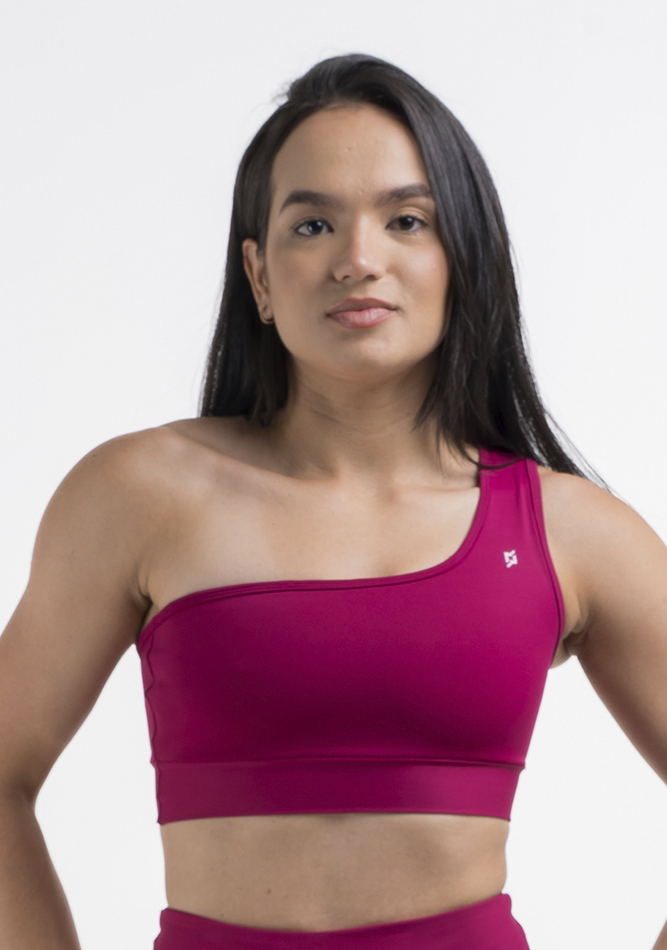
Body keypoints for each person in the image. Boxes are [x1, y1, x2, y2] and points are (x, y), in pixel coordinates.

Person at [1, 51, 666, 950]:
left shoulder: (568, 531)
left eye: (406, 220)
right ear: (259, 275)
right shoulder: (138, 496)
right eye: (312, 225)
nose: (358, 259)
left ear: (462, 258)